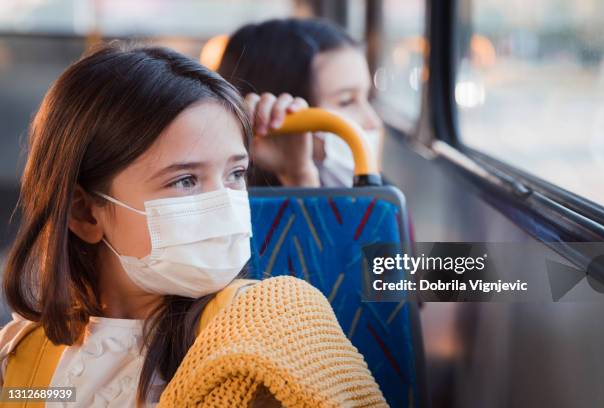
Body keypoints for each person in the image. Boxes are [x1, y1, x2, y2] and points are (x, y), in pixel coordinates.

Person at [0, 43, 386, 407]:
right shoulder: (22, 355)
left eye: (236, 173)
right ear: (86, 214)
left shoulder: (269, 329)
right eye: (185, 180)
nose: (223, 203)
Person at [218, 18, 384, 188]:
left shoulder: (383, 195)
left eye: (368, 98)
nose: (373, 122)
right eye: (346, 101)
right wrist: (298, 175)